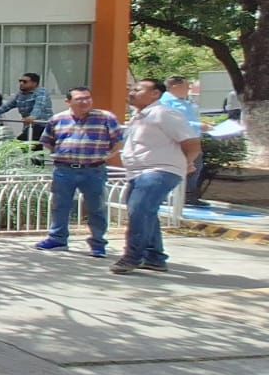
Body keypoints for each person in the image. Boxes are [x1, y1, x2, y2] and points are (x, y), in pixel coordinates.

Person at [112, 78, 201, 276]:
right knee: (145, 213)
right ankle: (155, 258)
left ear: (155, 94)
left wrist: (187, 162)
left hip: (159, 170)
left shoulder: (164, 113)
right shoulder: (139, 116)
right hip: (138, 172)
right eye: (132, 89)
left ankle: (132, 257)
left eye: (138, 89)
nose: (132, 92)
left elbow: (192, 143)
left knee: (139, 211)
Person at [35, 87, 123, 257]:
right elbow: (48, 141)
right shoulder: (57, 119)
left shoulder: (105, 118)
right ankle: (57, 239)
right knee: (61, 205)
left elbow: (117, 141)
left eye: (88, 98)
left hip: (94, 169)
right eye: (79, 99)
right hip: (64, 170)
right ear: (68, 101)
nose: (85, 102)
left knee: (96, 207)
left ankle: (98, 243)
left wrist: (108, 155)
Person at [160, 76, 205, 203]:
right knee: (176, 169)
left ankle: (188, 196)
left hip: (192, 140)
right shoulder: (165, 103)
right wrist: (198, 126)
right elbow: (174, 122)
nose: (188, 89)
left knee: (195, 168)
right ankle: (168, 197)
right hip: (178, 142)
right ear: (175, 87)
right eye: (186, 86)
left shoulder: (185, 102)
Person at [0, 73, 52, 141]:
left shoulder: (41, 92)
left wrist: (32, 117)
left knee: (20, 144)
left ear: (34, 83)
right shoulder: (20, 95)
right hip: (29, 126)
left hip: (42, 125)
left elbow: (39, 105)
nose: (21, 83)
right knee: (32, 147)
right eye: (20, 81)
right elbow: (7, 106)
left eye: (25, 82)